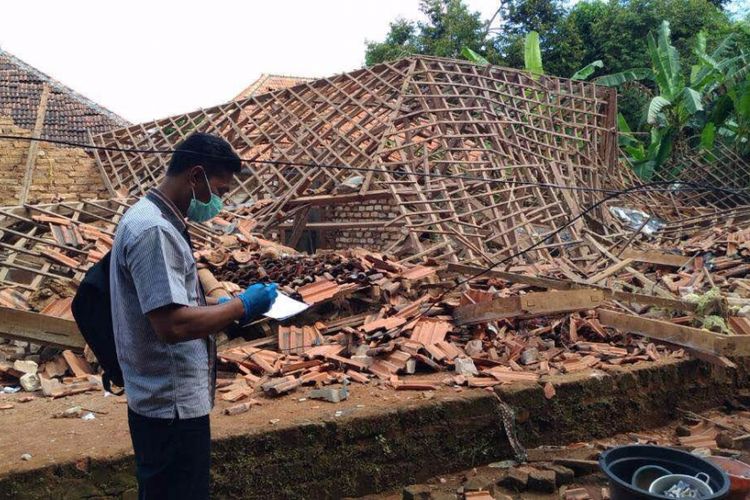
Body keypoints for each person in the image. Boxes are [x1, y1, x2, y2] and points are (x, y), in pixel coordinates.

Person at [110, 132, 277, 499]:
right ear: (196, 175)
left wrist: (221, 305)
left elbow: (169, 305)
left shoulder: (147, 217)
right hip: (171, 407)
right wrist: (242, 306)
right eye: (219, 188)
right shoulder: (154, 230)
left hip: (160, 401)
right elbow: (172, 325)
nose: (218, 200)